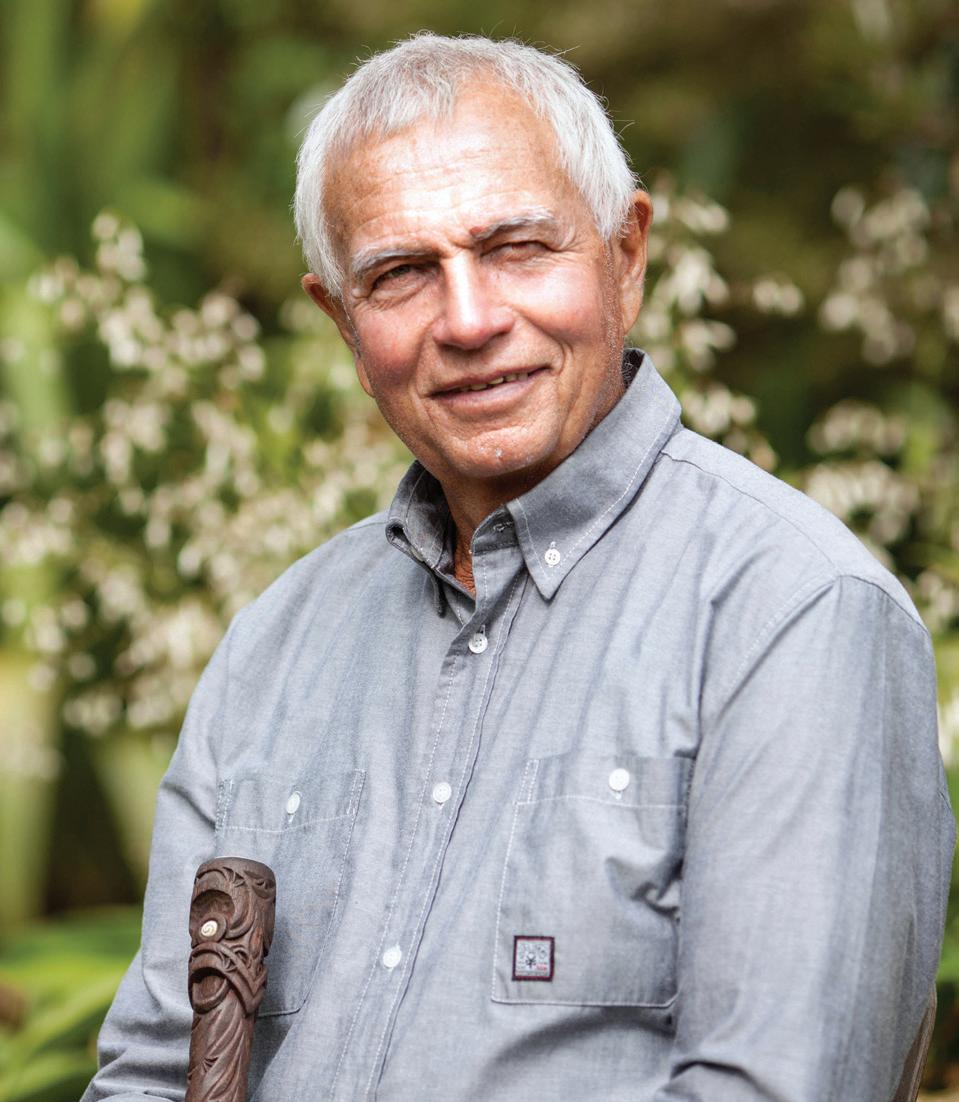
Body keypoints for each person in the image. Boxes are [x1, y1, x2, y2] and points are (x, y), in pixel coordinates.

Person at [83, 32, 954, 1102]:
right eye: (401, 274)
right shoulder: (275, 646)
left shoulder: (795, 613)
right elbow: (148, 1071)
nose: (469, 320)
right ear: (341, 321)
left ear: (624, 255)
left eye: (517, 248)